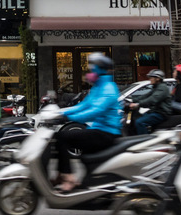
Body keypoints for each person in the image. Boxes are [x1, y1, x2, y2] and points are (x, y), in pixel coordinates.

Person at [54, 52, 123, 192]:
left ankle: (67, 177)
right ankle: (84, 181)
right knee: (81, 152)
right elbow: (83, 106)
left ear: (99, 70)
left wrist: (69, 118)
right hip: (98, 130)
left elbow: (96, 111)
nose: (89, 72)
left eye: (92, 69)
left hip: (107, 133)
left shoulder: (108, 88)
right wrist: (60, 112)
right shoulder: (98, 87)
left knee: (62, 137)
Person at [128, 69, 172, 135]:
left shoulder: (162, 88)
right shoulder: (156, 87)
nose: (150, 79)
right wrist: (131, 100)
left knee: (140, 122)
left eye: (151, 77)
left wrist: (138, 104)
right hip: (155, 111)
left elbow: (152, 99)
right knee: (137, 118)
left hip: (161, 113)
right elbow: (146, 96)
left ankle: (144, 141)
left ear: (157, 78)